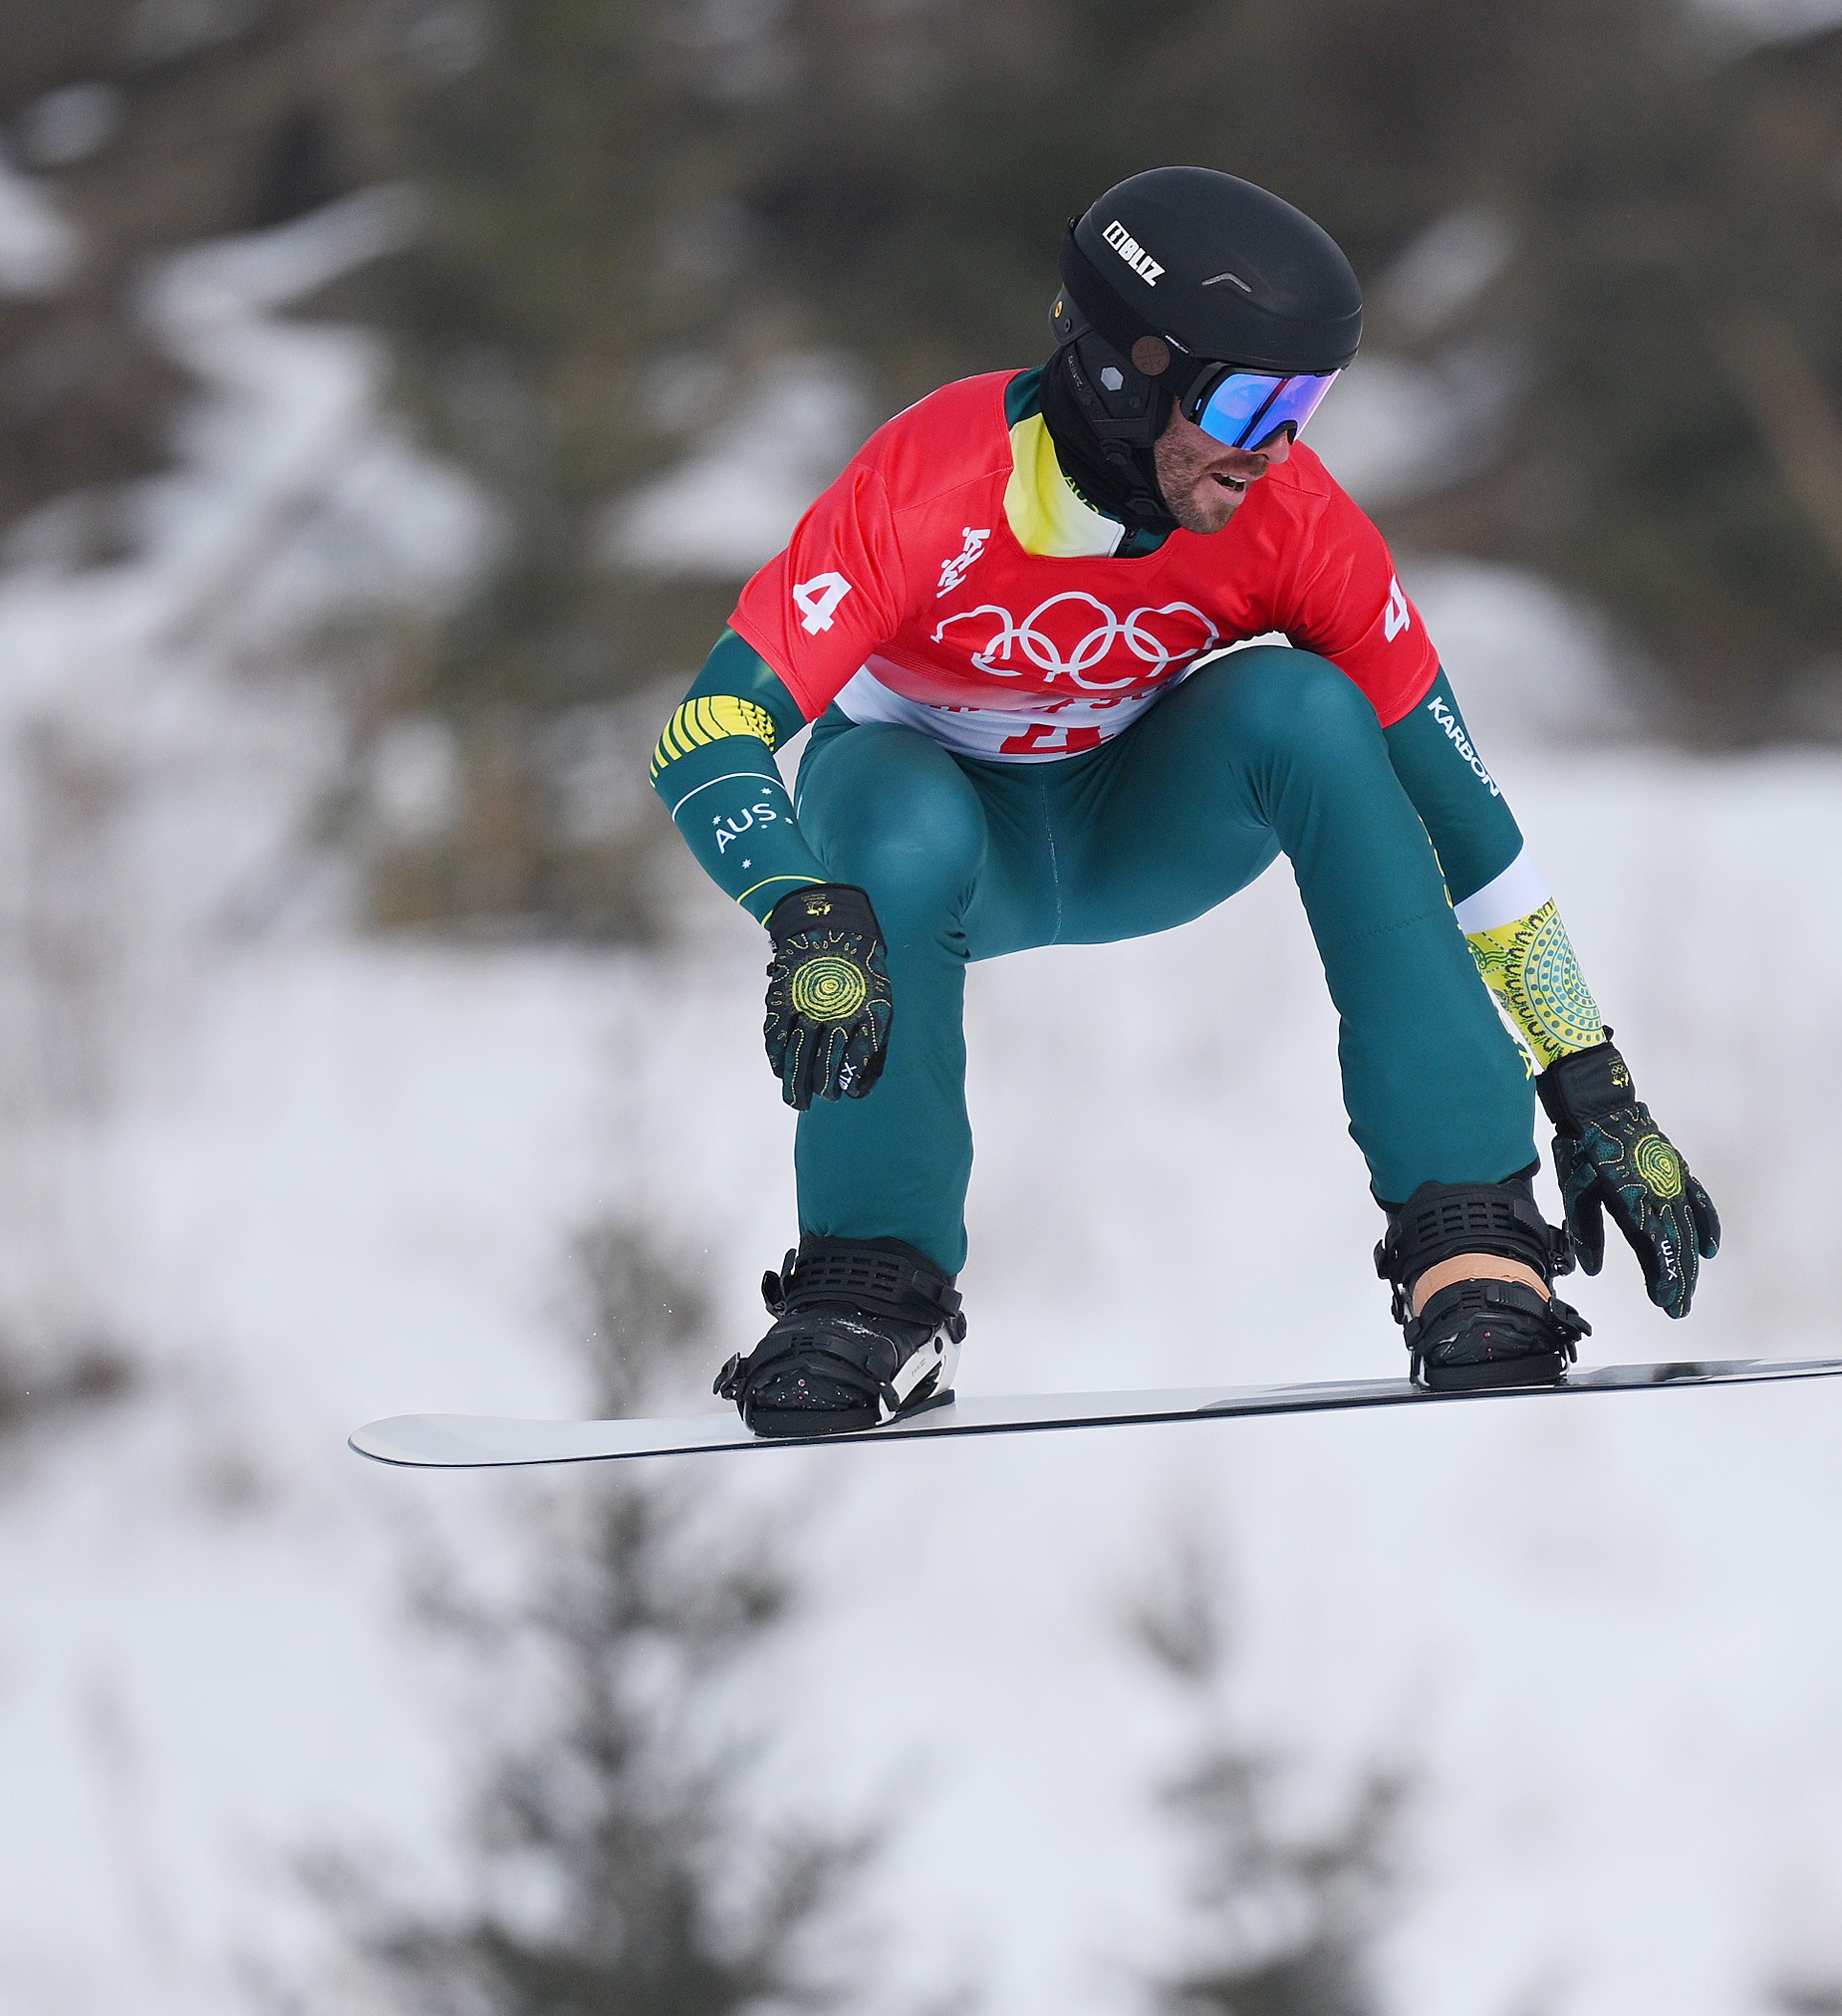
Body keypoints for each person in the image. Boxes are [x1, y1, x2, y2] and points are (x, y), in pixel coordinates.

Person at [653, 167, 1720, 1438]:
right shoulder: (932, 481)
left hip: (1132, 829)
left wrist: (1588, 1074)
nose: (1275, 448)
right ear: (1125, 367)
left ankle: (1468, 1233)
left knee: (1307, 710)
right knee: (887, 801)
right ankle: (870, 1284)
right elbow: (707, 729)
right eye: (1253, 399)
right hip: (937, 852)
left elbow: (1463, 811)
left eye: (1310, 403)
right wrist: (800, 904)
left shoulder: (1290, 519)